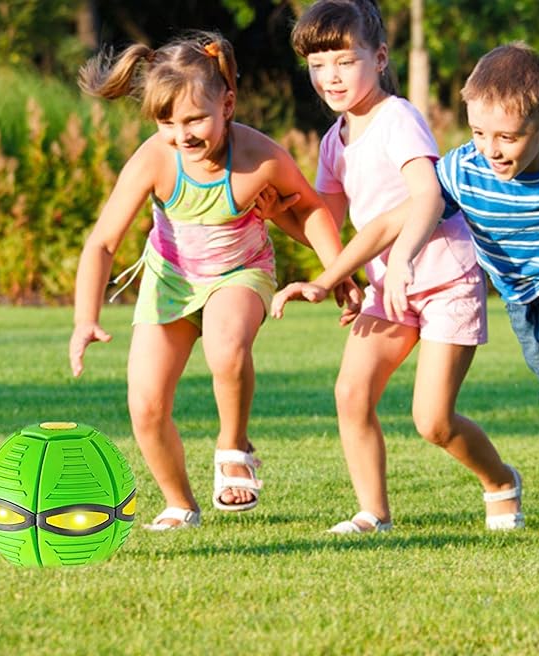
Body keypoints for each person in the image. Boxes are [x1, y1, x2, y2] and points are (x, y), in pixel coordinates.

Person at [69, 30, 361, 530]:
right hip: (171, 283)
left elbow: (310, 209)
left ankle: (233, 445)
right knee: (145, 405)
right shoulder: (156, 159)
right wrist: (84, 318)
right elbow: (101, 243)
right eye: (167, 121)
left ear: (227, 104)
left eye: (195, 119)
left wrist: (338, 273)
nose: (182, 134)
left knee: (225, 349)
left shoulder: (259, 156)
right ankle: (180, 503)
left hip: (241, 273)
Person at [269, 0, 524, 532]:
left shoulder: (398, 118)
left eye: (343, 60)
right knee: (350, 391)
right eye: (318, 66)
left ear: (380, 56)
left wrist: (402, 258)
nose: (330, 77)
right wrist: (316, 263)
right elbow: (326, 223)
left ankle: (500, 481)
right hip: (390, 287)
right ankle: (373, 513)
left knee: (432, 421)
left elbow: (428, 197)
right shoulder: (333, 142)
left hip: (444, 278)